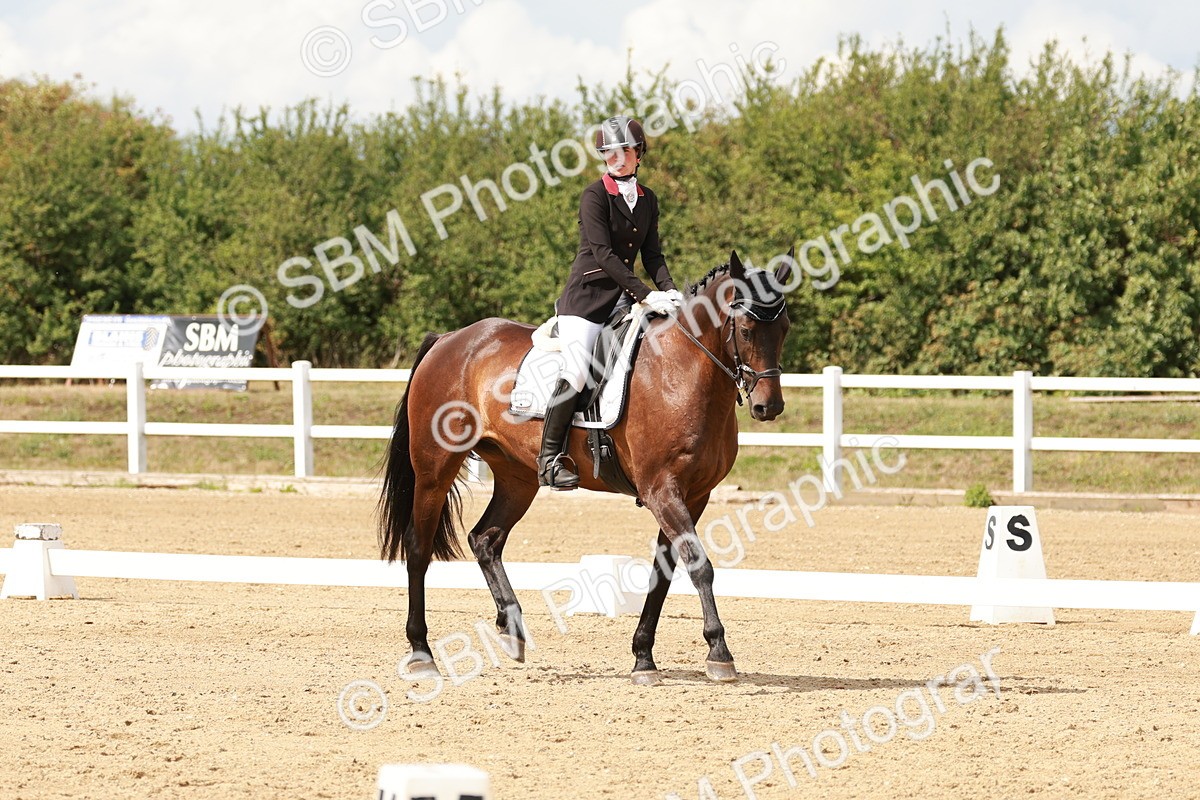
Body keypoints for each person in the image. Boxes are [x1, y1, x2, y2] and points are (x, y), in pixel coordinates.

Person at [537, 115, 684, 490]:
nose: (615, 157)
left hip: (622, 301)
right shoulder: (594, 195)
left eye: (623, 150)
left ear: (638, 153)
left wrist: (669, 290)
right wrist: (645, 293)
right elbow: (603, 254)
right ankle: (549, 459)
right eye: (608, 152)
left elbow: (652, 254)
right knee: (577, 371)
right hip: (586, 301)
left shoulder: (648, 199)